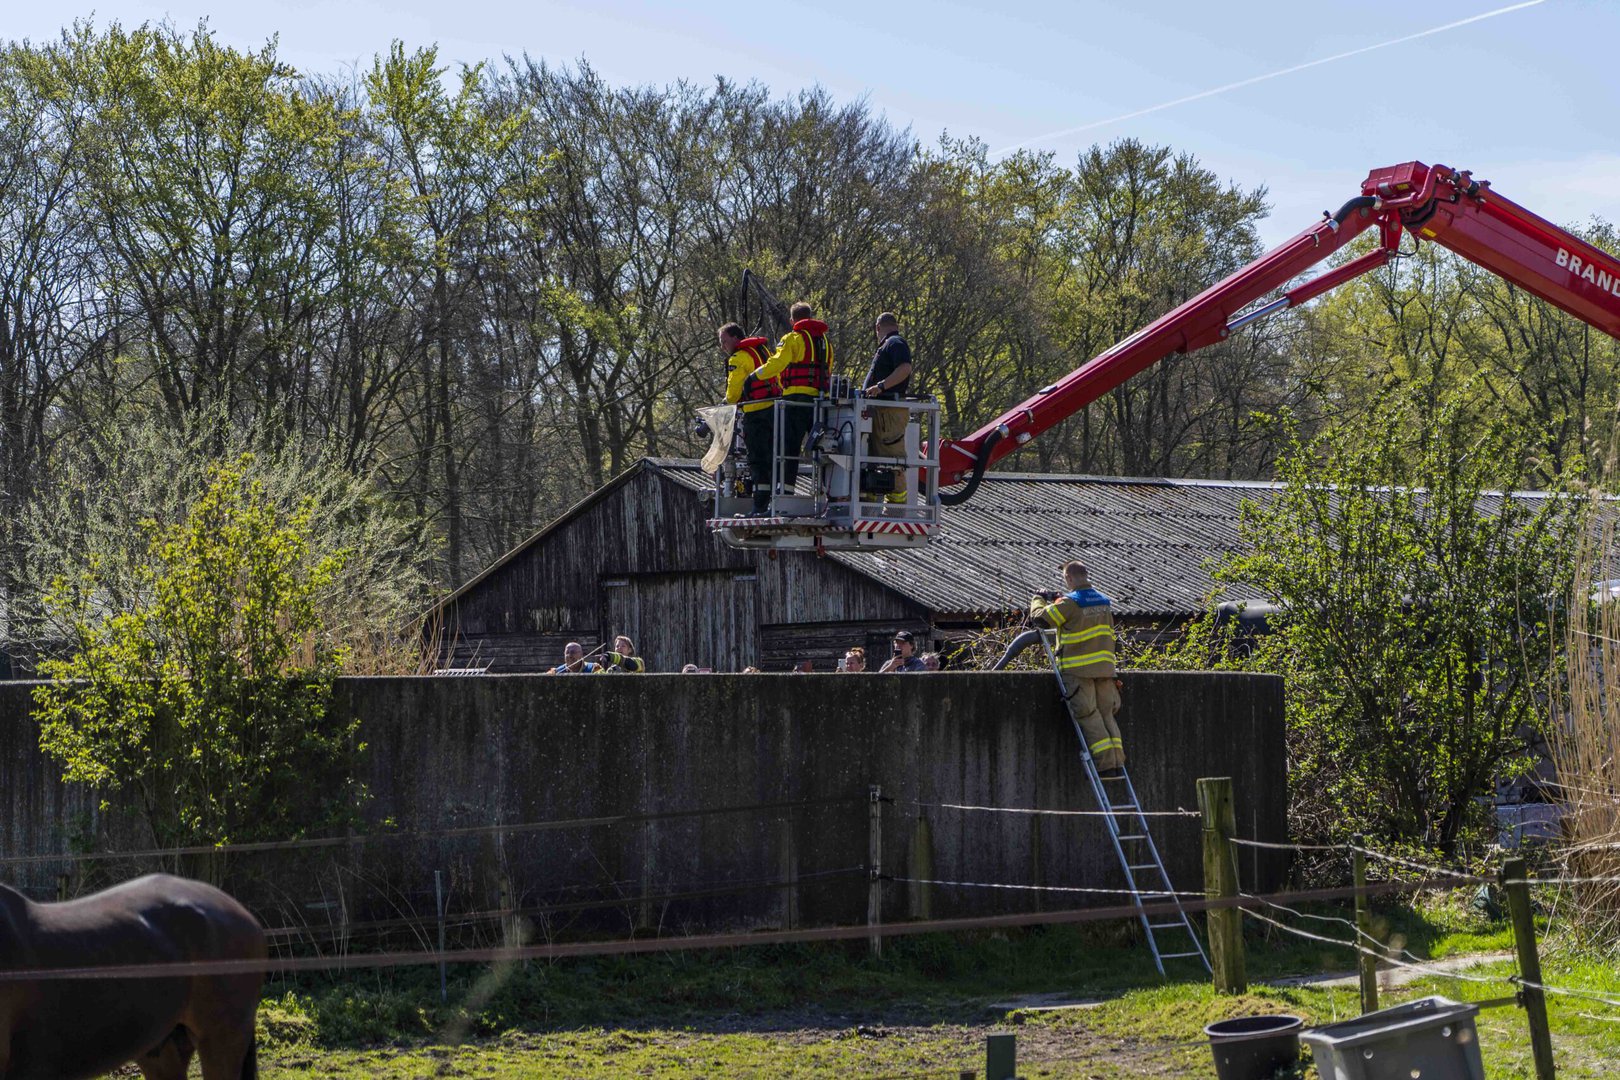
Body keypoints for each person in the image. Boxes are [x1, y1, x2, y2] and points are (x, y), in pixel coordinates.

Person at [1028, 562, 1124, 773]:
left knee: (1088, 715)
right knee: (1107, 714)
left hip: (1079, 670)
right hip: (1105, 670)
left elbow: (1040, 619)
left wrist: (1038, 599)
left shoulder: (1071, 603)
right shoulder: (1103, 601)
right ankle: (1117, 762)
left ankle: (1106, 765)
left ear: (1069, 578)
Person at [751, 302, 832, 489]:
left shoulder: (792, 339)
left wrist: (754, 376)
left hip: (795, 401)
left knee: (788, 448)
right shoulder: (826, 343)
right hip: (819, 403)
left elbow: (777, 364)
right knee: (822, 448)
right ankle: (826, 491)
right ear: (810, 318)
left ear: (791, 320)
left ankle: (786, 490)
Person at [720, 322, 781, 516]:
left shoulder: (738, 358)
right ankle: (776, 499)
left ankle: (759, 505)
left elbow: (732, 394)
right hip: (776, 411)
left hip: (756, 413)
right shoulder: (764, 352)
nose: (723, 347)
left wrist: (727, 401)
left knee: (757, 460)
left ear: (736, 338)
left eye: (724, 341)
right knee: (775, 458)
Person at [861, 312, 913, 505]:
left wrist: (880, 386)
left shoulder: (895, 343)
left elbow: (905, 368)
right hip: (880, 412)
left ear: (877, 327)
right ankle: (871, 505)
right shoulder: (889, 345)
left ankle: (896, 509)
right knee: (874, 459)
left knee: (892, 459)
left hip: (888, 413)